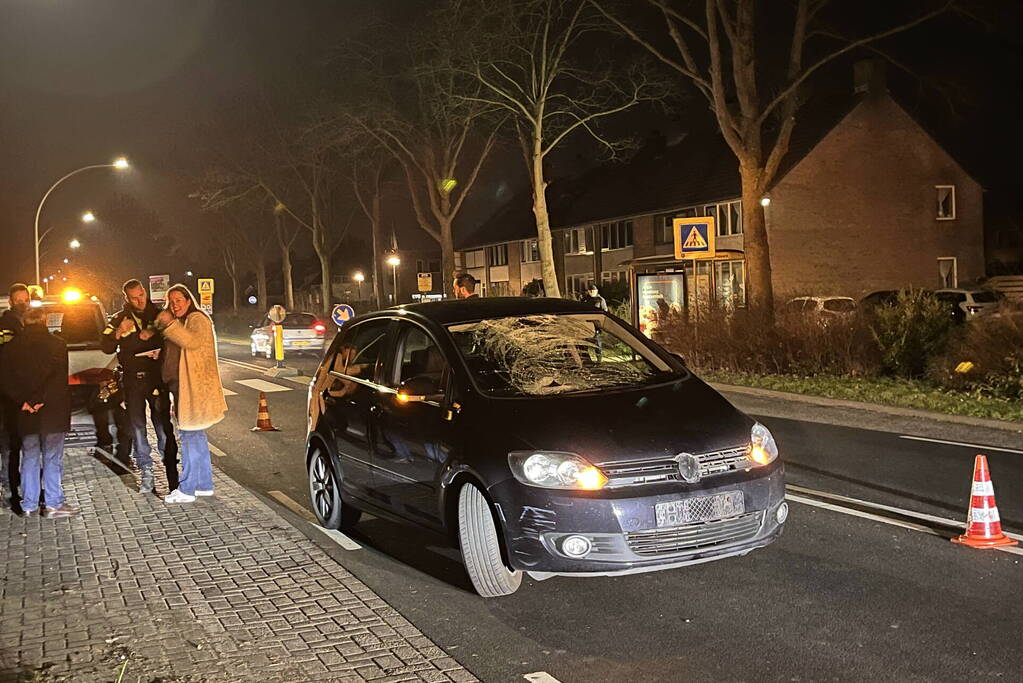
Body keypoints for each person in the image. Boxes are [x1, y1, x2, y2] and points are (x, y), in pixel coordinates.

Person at [101, 279, 178, 494]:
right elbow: (105, 345)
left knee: (163, 426)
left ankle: (171, 470)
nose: (139, 300)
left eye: (141, 295)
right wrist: (118, 333)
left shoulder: (158, 314)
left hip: (156, 378)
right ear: (127, 298)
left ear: (145, 291)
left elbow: (173, 337)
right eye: (134, 297)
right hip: (133, 380)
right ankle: (146, 472)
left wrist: (160, 350)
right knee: (137, 428)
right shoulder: (119, 318)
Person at [1, 306, 76, 517]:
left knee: (29, 456)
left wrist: (24, 402)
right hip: (52, 410)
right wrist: (39, 400)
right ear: (44, 321)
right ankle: (53, 503)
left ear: (24, 323)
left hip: (25, 412)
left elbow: (5, 380)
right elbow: (57, 379)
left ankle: (29, 504)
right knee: (52, 457)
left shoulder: (11, 347)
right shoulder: (58, 345)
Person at [155, 284, 227, 504]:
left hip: (193, 389)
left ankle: (186, 489)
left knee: (189, 436)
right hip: (185, 387)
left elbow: (191, 342)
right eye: (171, 301)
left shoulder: (196, 319)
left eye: (179, 300)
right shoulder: (187, 321)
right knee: (195, 436)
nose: (174, 305)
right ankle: (204, 485)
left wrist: (170, 324)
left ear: (189, 300)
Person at [0, 283, 30, 506]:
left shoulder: (25, 323)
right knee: (8, 443)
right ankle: (9, 487)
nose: (23, 303)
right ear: (11, 302)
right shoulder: (7, 324)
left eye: (25, 299)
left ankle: (16, 483)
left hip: (20, 392)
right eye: (18, 300)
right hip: (7, 394)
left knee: (19, 442)